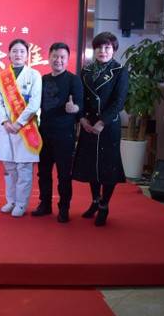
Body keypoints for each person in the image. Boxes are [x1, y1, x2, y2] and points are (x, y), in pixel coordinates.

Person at [72, 32, 129, 226]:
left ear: (113, 50)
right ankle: (95, 201)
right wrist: (82, 119)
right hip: (89, 124)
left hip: (108, 125)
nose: (102, 51)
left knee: (108, 167)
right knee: (92, 165)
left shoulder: (120, 71)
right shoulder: (86, 70)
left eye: (107, 47)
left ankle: (104, 205)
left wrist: (102, 122)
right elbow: (80, 98)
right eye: (99, 47)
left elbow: (119, 101)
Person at [31, 42, 83, 223]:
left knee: (64, 175)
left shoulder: (73, 80)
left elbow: (80, 105)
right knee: (43, 172)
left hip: (64, 135)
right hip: (44, 133)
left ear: (67, 60)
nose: (58, 60)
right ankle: (45, 204)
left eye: (62, 57)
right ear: (49, 57)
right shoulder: (43, 79)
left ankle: (64, 208)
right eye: (55, 56)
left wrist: (74, 108)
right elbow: (35, 103)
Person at [0, 39, 42, 217]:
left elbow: (34, 103)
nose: (18, 54)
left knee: (24, 167)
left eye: (22, 51)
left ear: (27, 54)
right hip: (6, 127)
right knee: (9, 168)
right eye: (14, 51)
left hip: (25, 128)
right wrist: (5, 121)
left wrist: (19, 123)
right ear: (9, 54)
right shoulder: (1, 76)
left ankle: (21, 204)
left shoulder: (34, 75)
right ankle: (11, 200)